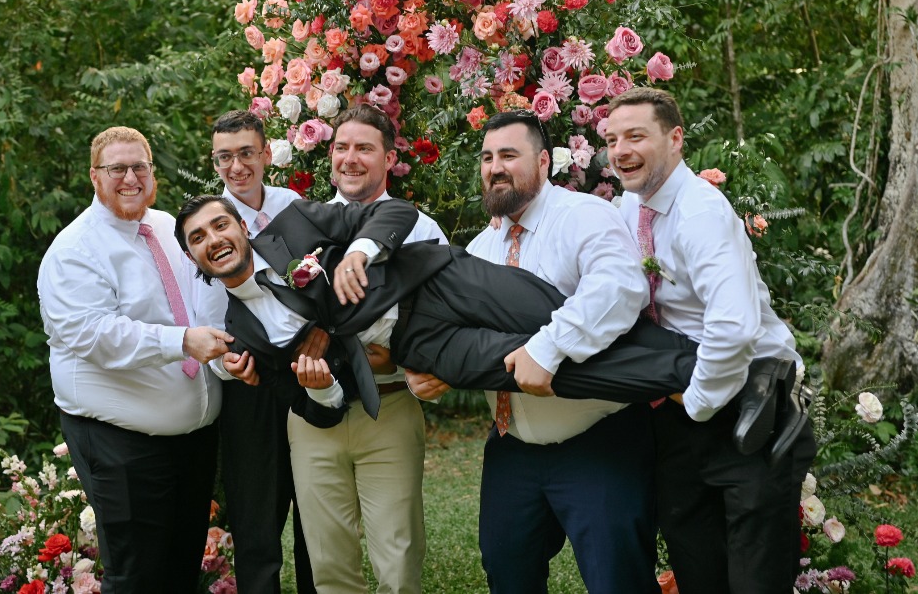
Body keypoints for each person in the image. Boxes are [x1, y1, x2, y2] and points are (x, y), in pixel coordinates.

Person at [604, 87, 815, 594]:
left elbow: (733, 326)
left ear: (675, 139)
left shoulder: (701, 211)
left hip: (749, 412)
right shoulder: (623, 213)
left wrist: (696, 402)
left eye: (636, 136)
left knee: (755, 579)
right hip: (678, 420)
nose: (620, 150)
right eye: (611, 139)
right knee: (697, 569)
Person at [460, 110, 661, 594]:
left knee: (618, 582)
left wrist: (548, 347)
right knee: (508, 576)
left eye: (509, 154)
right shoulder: (478, 250)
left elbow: (618, 288)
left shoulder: (584, 215)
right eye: (487, 158)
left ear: (544, 161)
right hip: (511, 449)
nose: (495, 167)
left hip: (597, 443)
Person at [37, 126, 232, 593]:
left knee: (181, 568)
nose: (130, 177)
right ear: (94, 176)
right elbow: (93, 334)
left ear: (152, 173)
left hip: (190, 441)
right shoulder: (74, 250)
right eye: (117, 168)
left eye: (139, 166)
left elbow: (204, 298)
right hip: (121, 442)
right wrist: (182, 342)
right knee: (138, 576)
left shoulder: (169, 227)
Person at [293, 104, 446, 594]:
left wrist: (403, 356)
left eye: (365, 148)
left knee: (398, 559)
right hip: (313, 414)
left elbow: (444, 320)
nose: (350, 159)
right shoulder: (303, 228)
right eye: (342, 148)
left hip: (391, 405)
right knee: (328, 561)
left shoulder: (421, 229)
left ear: (388, 158)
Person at [196, 109, 315, 594]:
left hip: (307, 375)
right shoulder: (206, 224)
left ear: (267, 153)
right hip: (249, 388)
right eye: (224, 157)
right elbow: (200, 315)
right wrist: (225, 364)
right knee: (257, 521)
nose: (236, 166)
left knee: (315, 512)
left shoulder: (296, 206)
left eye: (246, 153)